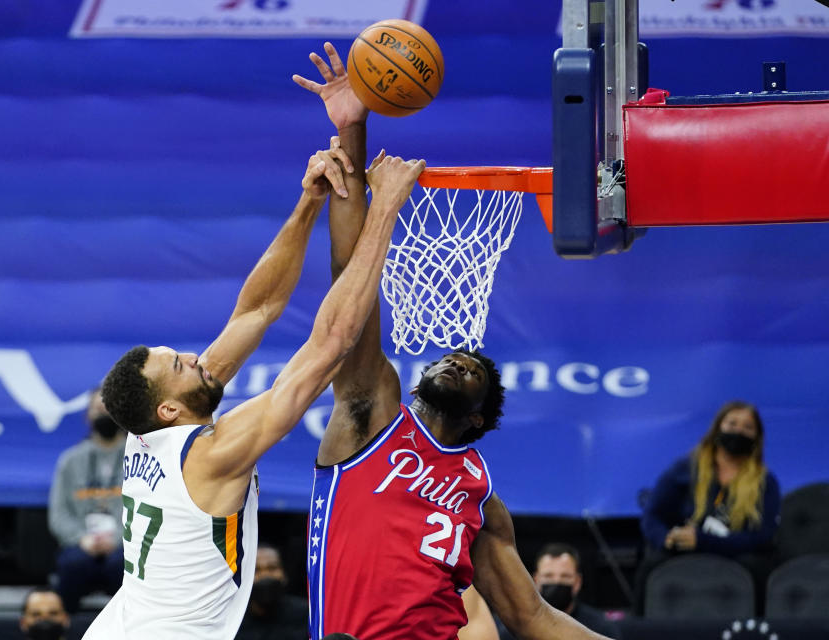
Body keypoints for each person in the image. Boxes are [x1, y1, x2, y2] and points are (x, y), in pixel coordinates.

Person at [294, 43, 612, 640]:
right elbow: (349, 283)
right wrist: (352, 128)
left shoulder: (481, 494)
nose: (457, 363)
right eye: (454, 360)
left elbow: (531, 615)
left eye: (472, 371)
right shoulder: (370, 413)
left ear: (478, 420)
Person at [82, 144, 426, 639]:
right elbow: (332, 342)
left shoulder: (151, 427)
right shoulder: (212, 453)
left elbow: (256, 310)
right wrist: (386, 208)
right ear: (169, 407)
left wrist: (309, 202)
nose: (197, 358)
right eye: (180, 364)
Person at [635, 400, 780, 614]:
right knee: (651, 565)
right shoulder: (685, 468)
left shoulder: (765, 481)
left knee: (759, 568)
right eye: (732, 424)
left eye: (747, 427)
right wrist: (666, 539)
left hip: (736, 553)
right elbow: (652, 516)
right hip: (684, 549)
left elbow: (762, 535)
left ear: (757, 438)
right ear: (717, 428)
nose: (738, 431)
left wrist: (704, 541)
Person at [48, 388, 126, 613]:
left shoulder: (140, 456)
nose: (103, 414)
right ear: (87, 416)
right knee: (73, 564)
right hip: (81, 543)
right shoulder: (70, 461)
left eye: (108, 409)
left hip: (125, 544)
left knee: (122, 566)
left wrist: (119, 539)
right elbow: (59, 515)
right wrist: (82, 539)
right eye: (97, 409)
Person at [528, 544, 621, 639]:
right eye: (548, 576)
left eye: (565, 576)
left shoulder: (601, 628)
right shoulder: (521, 624)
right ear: (535, 580)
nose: (556, 581)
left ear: (577, 582)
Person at [235, 544, 309, 640]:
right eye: (256, 570)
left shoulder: (306, 615)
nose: (265, 575)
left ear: (284, 574)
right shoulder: (233, 621)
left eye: (272, 568)